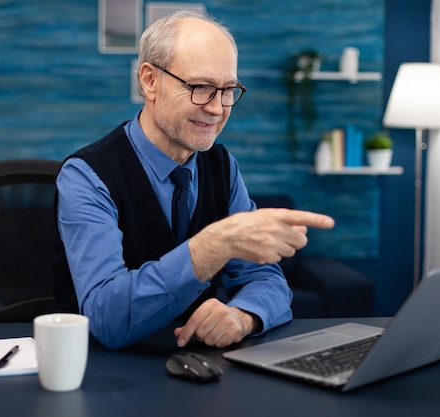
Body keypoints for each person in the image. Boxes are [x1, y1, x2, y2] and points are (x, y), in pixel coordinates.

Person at [56, 11, 334, 350]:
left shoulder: (222, 167)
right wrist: (211, 246)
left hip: (201, 372)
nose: (217, 109)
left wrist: (244, 315)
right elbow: (106, 319)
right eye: (201, 88)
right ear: (149, 80)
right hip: (105, 378)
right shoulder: (87, 175)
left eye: (228, 90)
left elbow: (265, 279)